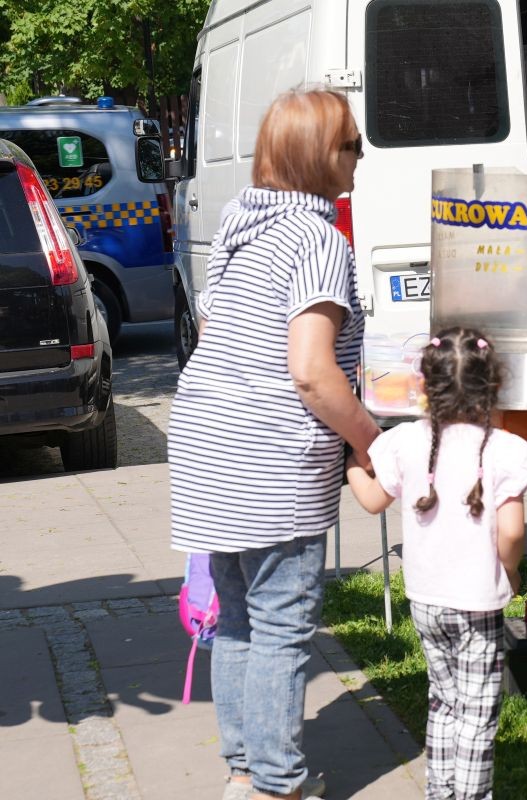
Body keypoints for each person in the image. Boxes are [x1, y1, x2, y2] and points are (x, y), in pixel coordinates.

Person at [169, 88, 381, 800]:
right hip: (270, 456)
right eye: (351, 144)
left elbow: (216, 332)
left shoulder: (242, 228)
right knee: (282, 626)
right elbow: (312, 372)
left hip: (208, 445)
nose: (361, 156)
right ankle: (278, 784)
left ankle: (244, 771)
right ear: (318, 155)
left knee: (236, 620)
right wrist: (369, 440)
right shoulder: (318, 240)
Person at [346, 327, 527, 800]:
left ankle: (441, 791)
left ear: (425, 387)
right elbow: (512, 532)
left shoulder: (404, 441)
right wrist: (511, 572)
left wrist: (352, 460)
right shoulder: (506, 449)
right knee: (477, 714)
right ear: (494, 385)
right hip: (477, 604)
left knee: (444, 701)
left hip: (426, 600)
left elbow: (371, 500)